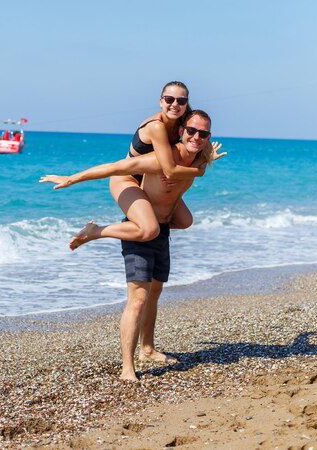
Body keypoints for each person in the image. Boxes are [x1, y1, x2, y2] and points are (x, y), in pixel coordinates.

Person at [40, 110, 226, 381]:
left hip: (162, 230)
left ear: (209, 138)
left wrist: (202, 164)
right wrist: (72, 178)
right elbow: (118, 168)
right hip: (141, 231)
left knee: (156, 291)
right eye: (192, 131)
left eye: (203, 134)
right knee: (137, 299)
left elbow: (196, 168)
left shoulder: (200, 159)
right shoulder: (162, 160)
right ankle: (127, 367)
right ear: (182, 131)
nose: (196, 137)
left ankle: (147, 349)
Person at [49, 81, 209, 249]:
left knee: (184, 221)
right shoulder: (156, 126)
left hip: (148, 179)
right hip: (126, 178)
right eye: (169, 99)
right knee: (149, 230)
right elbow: (167, 170)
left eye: (181, 101)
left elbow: (203, 148)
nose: (175, 104)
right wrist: (71, 178)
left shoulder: (188, 125)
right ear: (161, 101)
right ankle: (96, 231)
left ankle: (139, 225)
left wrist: (201, 163)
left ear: (186, 104)